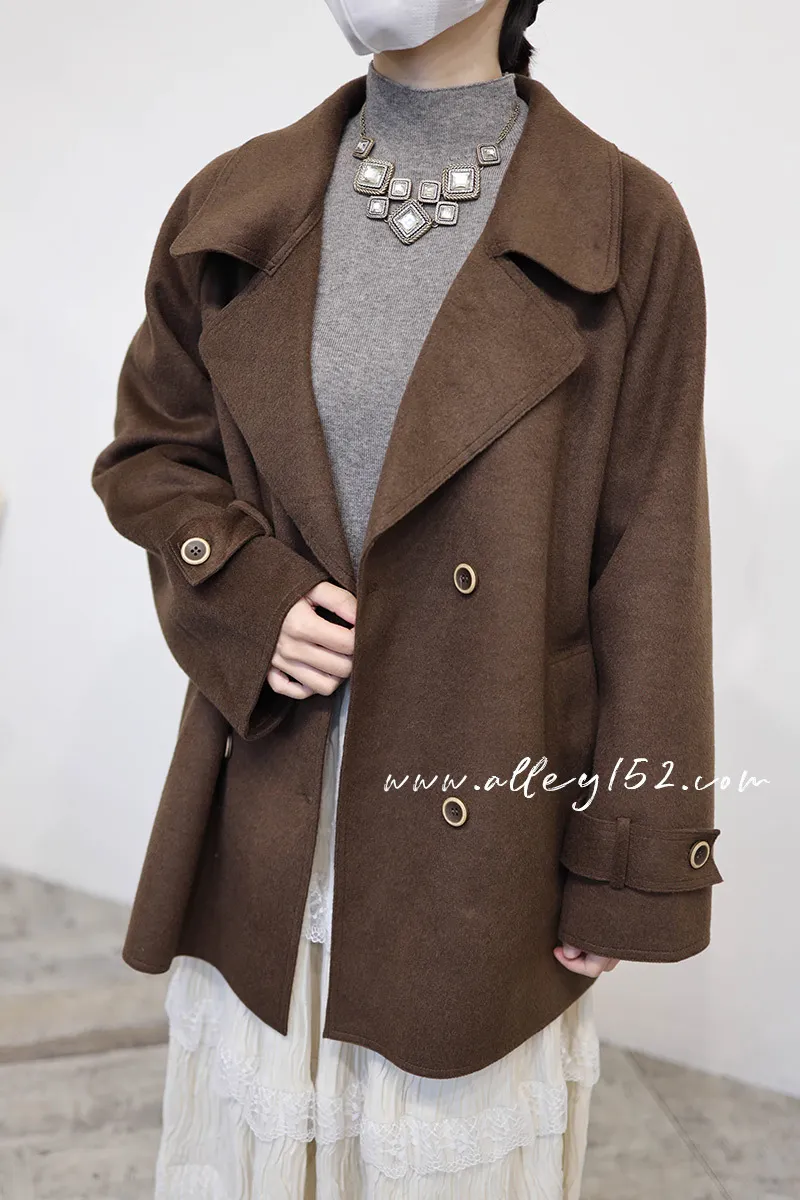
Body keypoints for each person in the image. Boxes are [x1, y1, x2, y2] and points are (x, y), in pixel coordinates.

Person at [91, 0, 723, 1195]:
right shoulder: (233, 203)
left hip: (484, 807)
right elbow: (152, 455)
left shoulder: (622, 224)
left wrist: (626, 863)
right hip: (275, 787)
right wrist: (246, 591)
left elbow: (652, 562)